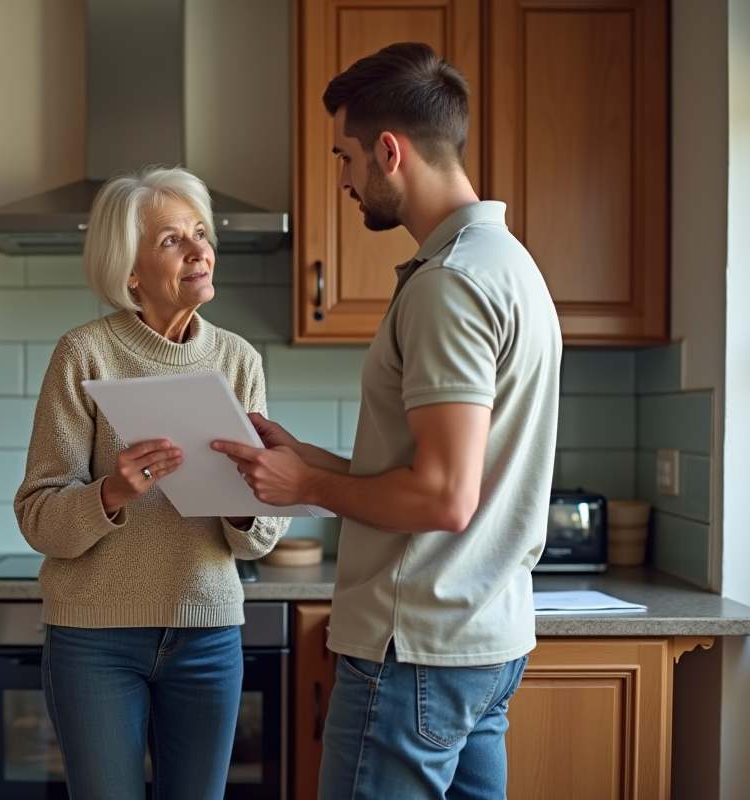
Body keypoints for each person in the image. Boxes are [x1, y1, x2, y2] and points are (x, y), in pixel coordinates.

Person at [213, 42, 562, 800]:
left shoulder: (451, 286)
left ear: (390, 150)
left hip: (417, 652)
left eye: (345, 156)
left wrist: (306, 483)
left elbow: (442, 498)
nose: (341, 178)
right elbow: (439, 470)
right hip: (481, 641)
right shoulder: (509, 266)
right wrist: (314, 463)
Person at [14, 165, 288, 800]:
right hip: (93, 641)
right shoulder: (83, 354)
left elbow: (260, 537)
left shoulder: (239, 361)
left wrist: (245, 505)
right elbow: (36, 516)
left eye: (201, 232)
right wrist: (111, 492)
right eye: (172, 239)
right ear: (129, 271)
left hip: (208, 634)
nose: (199, 250)